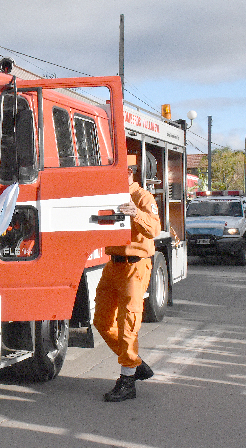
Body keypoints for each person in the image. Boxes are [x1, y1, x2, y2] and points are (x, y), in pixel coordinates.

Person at [93, 153, 161, 402]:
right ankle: (135, 362)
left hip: (135, 266)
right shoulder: (110, 196)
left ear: (129, 173)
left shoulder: (142, 197)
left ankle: (127, 381)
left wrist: (135, 213)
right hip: (113, 265)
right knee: (101, 321)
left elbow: (155, 229)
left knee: (128, 324)